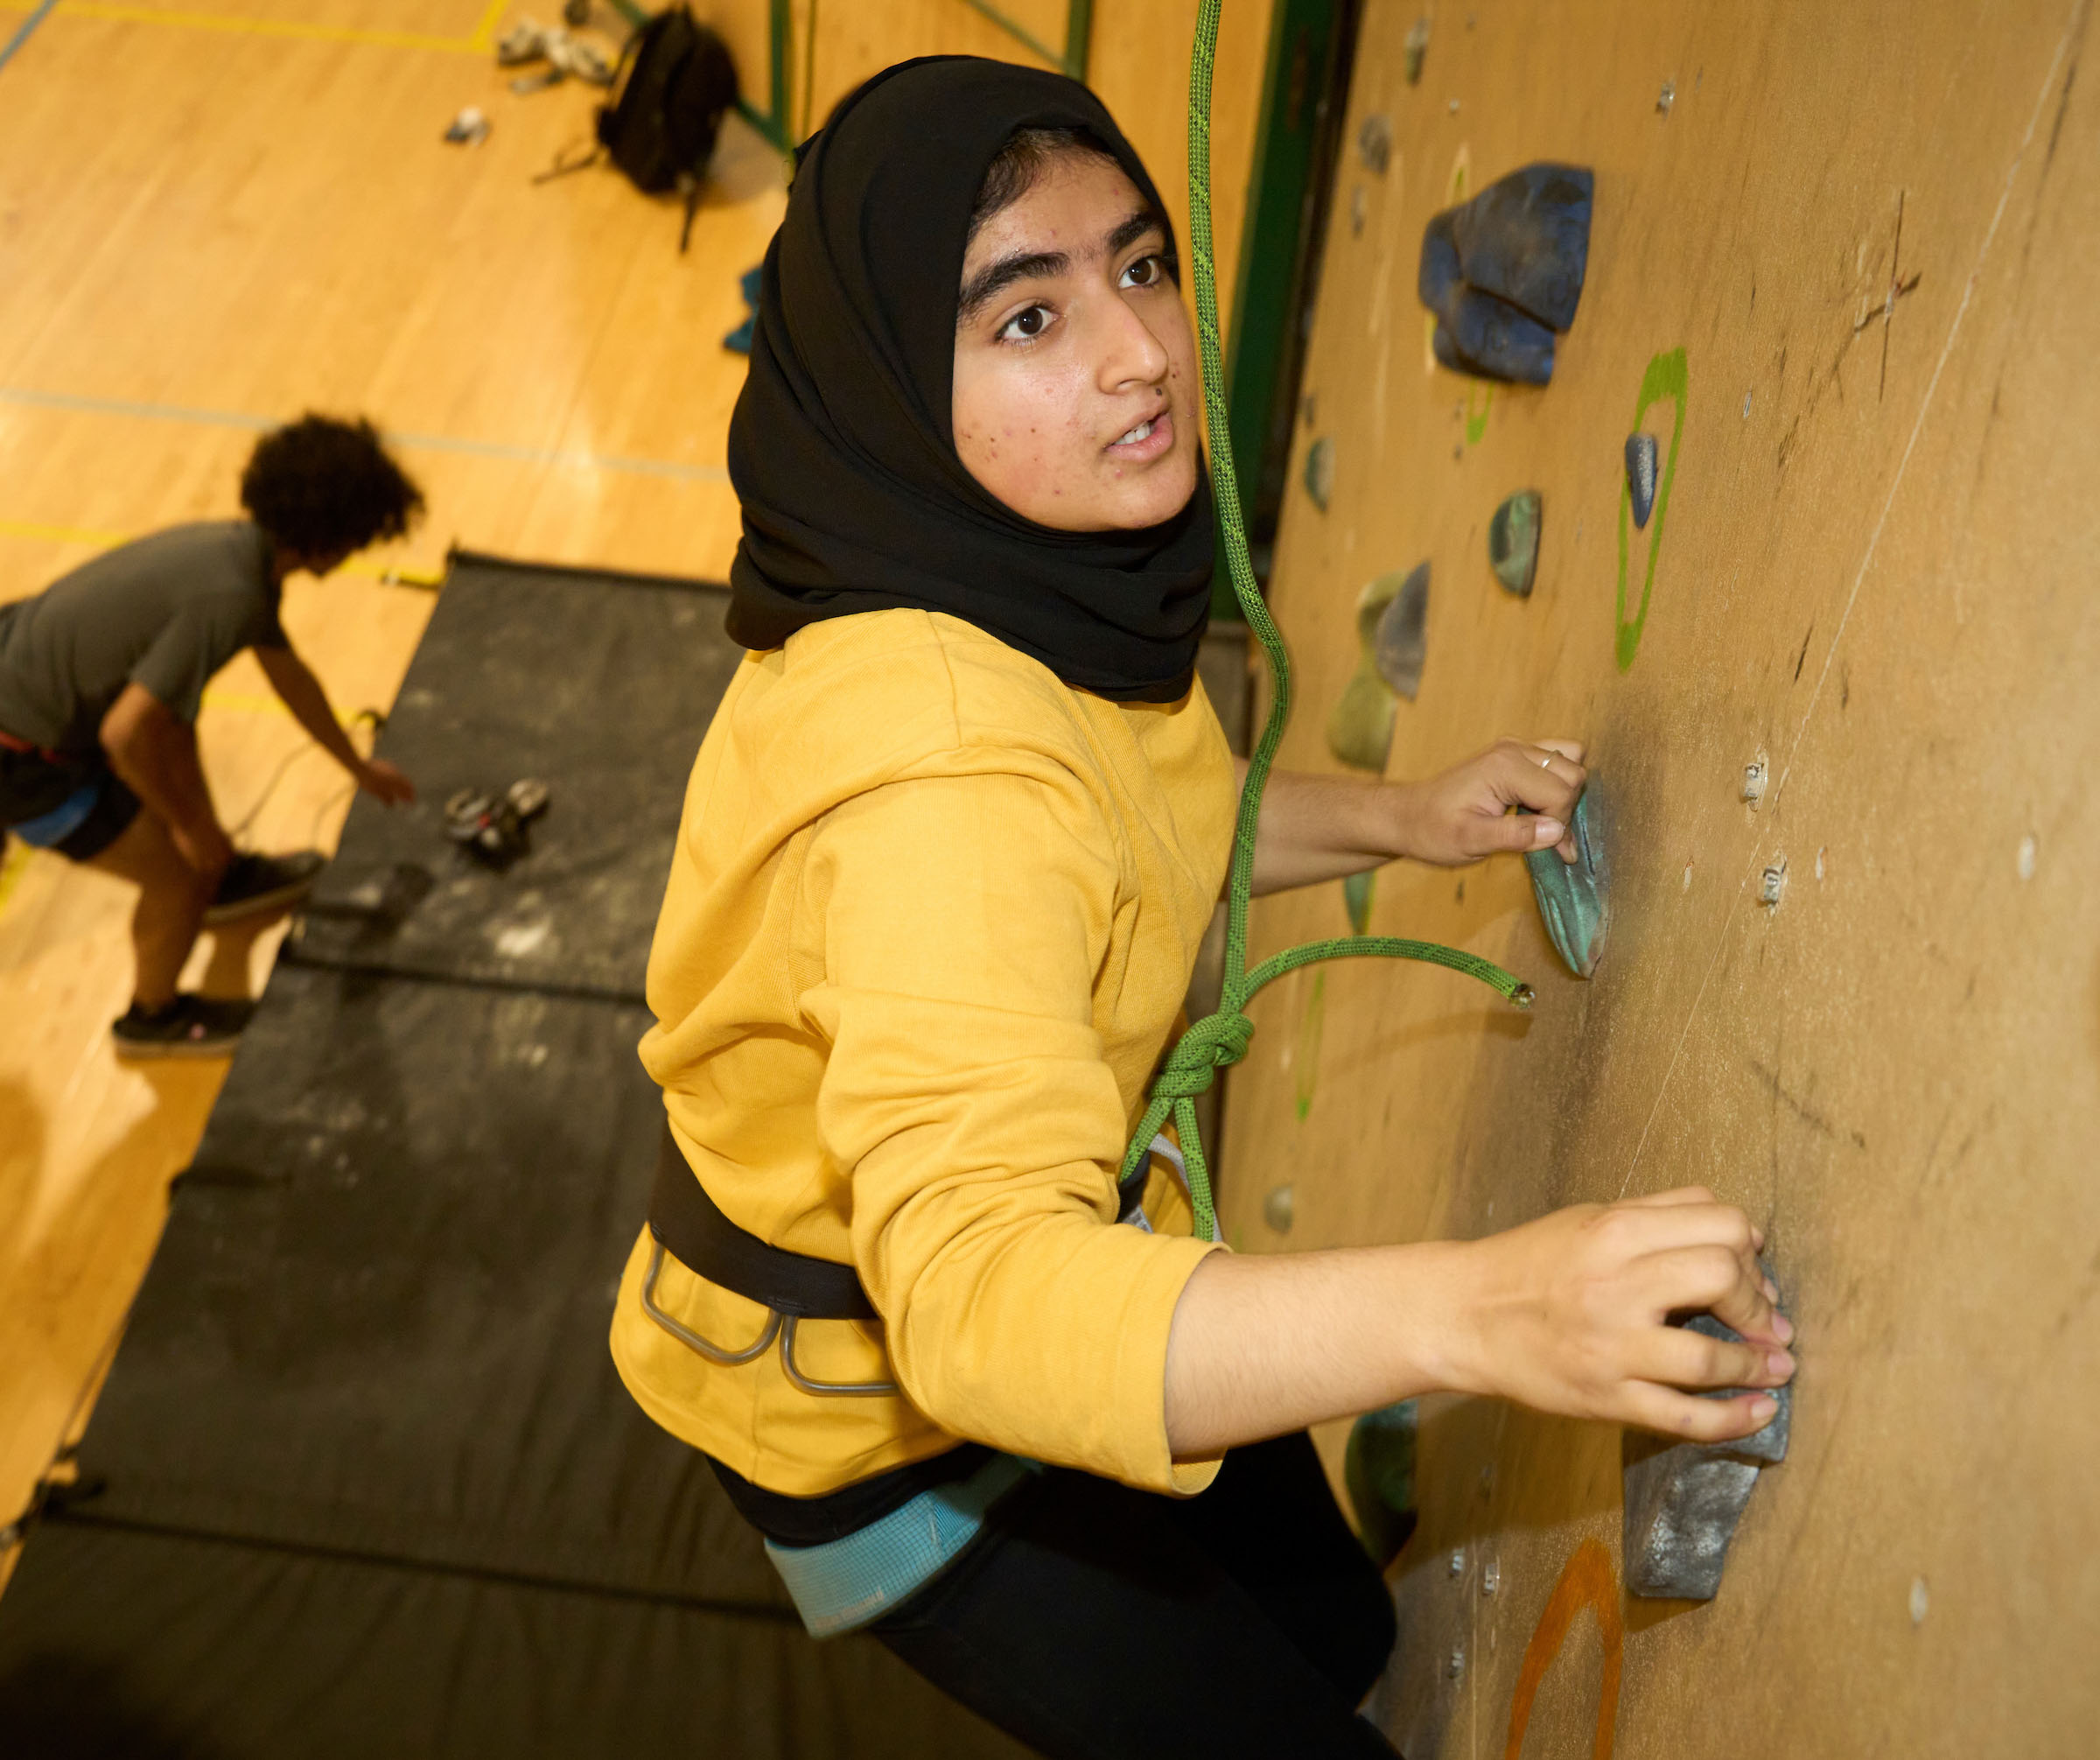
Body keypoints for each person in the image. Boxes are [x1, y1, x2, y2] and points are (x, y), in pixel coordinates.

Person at [611, 58, 1796, 1758]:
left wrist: (1399, 812)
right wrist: (1491, 1308)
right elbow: (987, 1309)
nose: (1143, 354)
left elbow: (1140, 829)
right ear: (887, 380)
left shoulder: (1004, 569)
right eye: (1027, 318)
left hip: (1068, 1235)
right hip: (895, 1442)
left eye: (1140, 263)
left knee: (1334, 1624)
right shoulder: (937, 795)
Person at [0, 414, 423, 1058]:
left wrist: (357, 770)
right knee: (175, 877)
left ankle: (222, 881)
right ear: (334, 538)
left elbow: (286, 672)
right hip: (24, 761)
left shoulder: (237, 552)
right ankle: (154, 1019)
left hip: (29, 684)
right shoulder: (230, 596)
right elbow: (127, 733)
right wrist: (191, 830)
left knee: (181, 749)